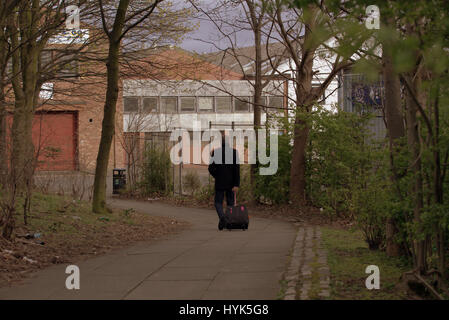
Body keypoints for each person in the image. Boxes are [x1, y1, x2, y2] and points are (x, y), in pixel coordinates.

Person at [208, 137, 240, 230]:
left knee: (218, 202)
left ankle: (222, 218)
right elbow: (237, 169)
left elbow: (210, 168)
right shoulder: (235, 153)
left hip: (220, 182)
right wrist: (236, 184)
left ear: (221, 143)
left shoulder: (216, 152)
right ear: (229, 143)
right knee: (230, 203)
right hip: (231, 183)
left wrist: (217, 176)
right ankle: (226, 220)